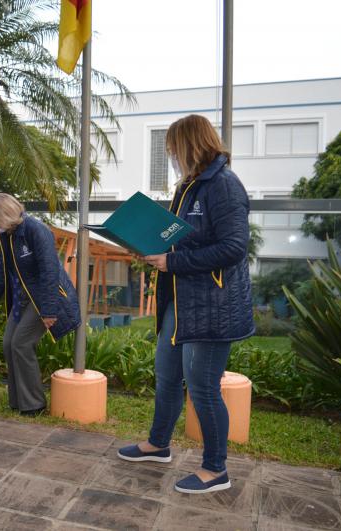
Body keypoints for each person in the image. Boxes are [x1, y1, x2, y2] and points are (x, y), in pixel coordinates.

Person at [117, 114, 254, 495]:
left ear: (191, 144)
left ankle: (216, 469)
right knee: (166, 375)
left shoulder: (223, 186)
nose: (173, 155)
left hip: (213, 307)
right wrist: (155, 247)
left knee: (203, 388)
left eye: (175, 148)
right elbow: (186, 237)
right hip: (183, 300)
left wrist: (172, 261)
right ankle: (158, 444)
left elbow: (233, 248)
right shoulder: (191, 186)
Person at [0, 193, 81, 416]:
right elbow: (1, 275)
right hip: (24, 297)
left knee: (21, 343)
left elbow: (50, 271)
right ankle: (18, 401)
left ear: (5, 216)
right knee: (8, 343)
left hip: (46, 296)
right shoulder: (7, 236)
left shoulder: (36, 230)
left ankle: (34, 405)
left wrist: (49, 310)